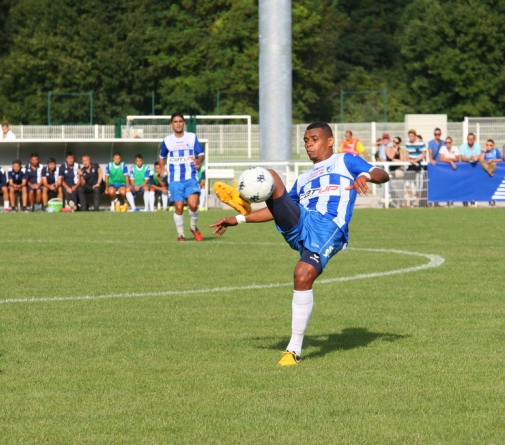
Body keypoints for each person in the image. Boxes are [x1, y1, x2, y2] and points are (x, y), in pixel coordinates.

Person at [210, 122, 389, 366]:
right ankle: (244, 202)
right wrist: (238, 219)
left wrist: (365, 175)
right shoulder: (303, 179)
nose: (308, 145)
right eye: (305, 141)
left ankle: (293, 350)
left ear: (329, 141)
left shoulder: (345, 161)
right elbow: (279, 209)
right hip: (300, 224)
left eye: (314, 139)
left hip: (327, 227)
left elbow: (382, 174)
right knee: (271, 177)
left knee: (302, 274)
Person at [159, 113, 205, 241]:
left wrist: (199, 160)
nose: (178, 124)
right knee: (178, 207)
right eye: (175, 121)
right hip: (175, 179)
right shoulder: (167, 140)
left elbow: (201, 153)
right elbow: (162, 157)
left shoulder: (191, 137)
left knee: (193, 205)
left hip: (190, 177)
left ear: (184, 123)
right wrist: (162, 168)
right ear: (171, 124)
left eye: (180, 121)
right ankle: (180, 234)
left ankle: (193, 227)